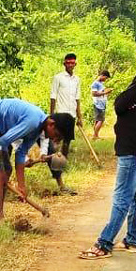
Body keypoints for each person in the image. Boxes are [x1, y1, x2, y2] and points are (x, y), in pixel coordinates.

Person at [80, 30, 136, 259]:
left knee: (122, 196)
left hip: (134, 144)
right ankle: (133, 240)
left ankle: (104, 244)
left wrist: (127, 105)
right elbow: (130, 105)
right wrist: (130, 106)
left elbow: (120, 103)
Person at [0, 98, 76, 221]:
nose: (55, 139)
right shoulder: (33, 122)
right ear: (51, 124)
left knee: (7, 170)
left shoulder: (37, 129)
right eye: (57, 135)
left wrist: (21, 186)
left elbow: (20, 153)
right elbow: (3, 142)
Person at [48, 53, 81, 195]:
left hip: (71, 114)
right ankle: (55, 161)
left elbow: (78, 98)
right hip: (60, 114)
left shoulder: (77, 80)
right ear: (64, 64)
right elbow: (53, 96)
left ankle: (62, 164)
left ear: (75, 64)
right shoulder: (58, 78)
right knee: (55, 141)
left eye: (72, 63)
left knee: (67, 142)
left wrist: (80, 117)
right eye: (68, 63)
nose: (70, 65)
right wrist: (51, 115)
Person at [91, 68, 111, 140]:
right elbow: (94, 94)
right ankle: (95, 136)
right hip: (98, 104)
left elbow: (101, 92)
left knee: (97, 120)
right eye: (105, 77)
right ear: (102, 75)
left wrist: (107, 92)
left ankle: (95, 135)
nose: (105, 79)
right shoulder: (95, 83)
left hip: (102, 104)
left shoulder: (101, 84)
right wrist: (105, 92)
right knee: (101, 120)